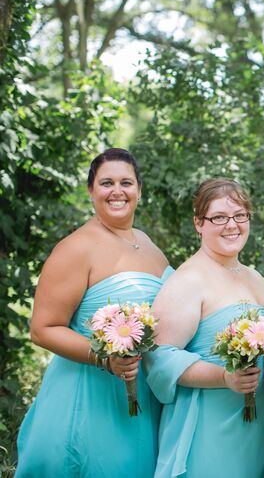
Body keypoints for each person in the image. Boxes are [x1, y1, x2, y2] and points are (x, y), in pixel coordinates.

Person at [15, 148, 171, 477]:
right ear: (91, 190)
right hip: (90, 396)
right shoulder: (76, 247)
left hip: (142, 392)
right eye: (106, 183)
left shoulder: (147, 244)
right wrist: (105, 358)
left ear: (139, 191)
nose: (117, 191)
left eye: (126, 182)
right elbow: (43, 329)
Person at [144, 178, 264, 478]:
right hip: (211, 427)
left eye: (240, 215)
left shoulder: (253, 276)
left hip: (259, 429)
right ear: (198, 223)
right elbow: (158, 358)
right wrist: (224, 376)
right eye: (219, 217)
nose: (232, 225)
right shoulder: (189, 279)